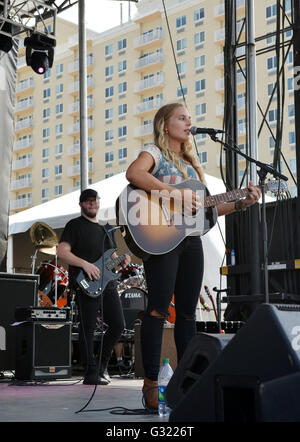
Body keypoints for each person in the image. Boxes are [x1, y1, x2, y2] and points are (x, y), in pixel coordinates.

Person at [125, 102, 261, 410]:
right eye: (182, 118)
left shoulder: (190, 165)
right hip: (161, 236)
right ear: (165, 124)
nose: (189, 123)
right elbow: (134, 174)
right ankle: (150, 384)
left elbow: (206, 209)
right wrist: (173, 194)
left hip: (189, 239)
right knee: (158, 309)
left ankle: (187, 382)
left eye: (190, 118)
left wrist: (242, 202)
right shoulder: (154, 152)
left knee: (187, 313)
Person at [57, 188, 131, 385]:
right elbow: (62, 252)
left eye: (94, 200)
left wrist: (122, 260)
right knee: (87, 328)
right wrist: (85, 264)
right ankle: (90, 372)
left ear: (98, 203)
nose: (92, 204)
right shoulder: (74, 225)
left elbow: (111, 258)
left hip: (107, 284)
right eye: (87, 201)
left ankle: (102, 366)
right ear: (81, 204)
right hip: (85, 282)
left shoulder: (106, 229)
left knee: (118, 325)